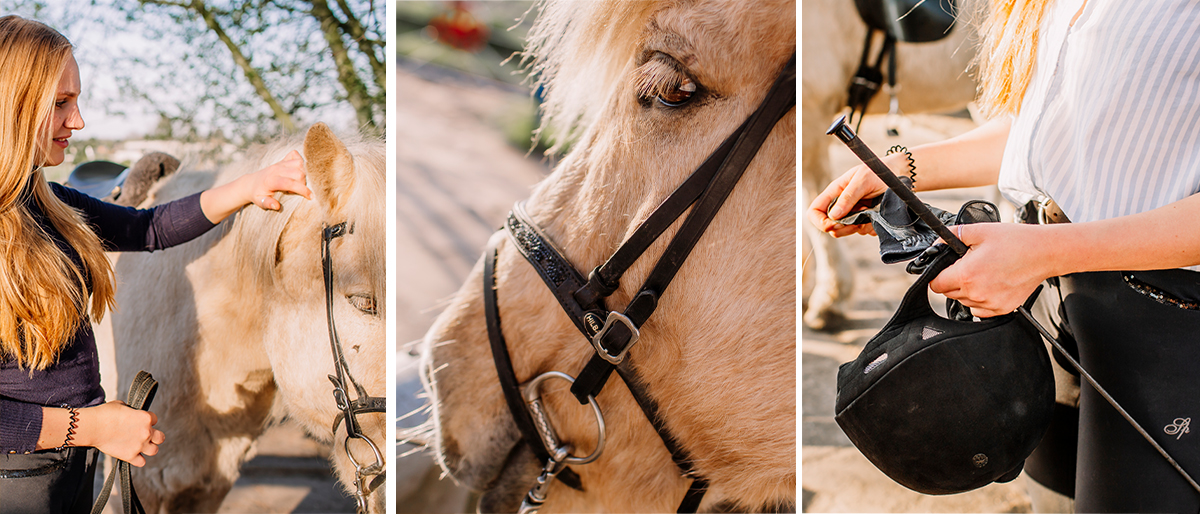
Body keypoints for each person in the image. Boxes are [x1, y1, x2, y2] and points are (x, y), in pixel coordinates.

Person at [810, 0, 1200, 510]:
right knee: (1052, 498)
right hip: (1050, 302)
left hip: (1162, 318)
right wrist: (903, 168)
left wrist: (1045, 252)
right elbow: (1047, 135)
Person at [0, 15, 312, 513]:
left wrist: (252, 186)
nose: (77, 121)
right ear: (10, 105)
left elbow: (148, 228)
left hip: (67, 469)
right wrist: (93, 425)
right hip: (14, 481)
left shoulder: (48, 202)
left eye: (76, 102)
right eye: (60, 103)